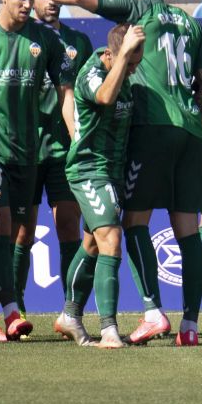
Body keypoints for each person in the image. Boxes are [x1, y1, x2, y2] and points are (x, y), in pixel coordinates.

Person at [1, 0, 202, 346]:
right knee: (185, 229)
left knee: (130, 224)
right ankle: (189, 325)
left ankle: (152, 312)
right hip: (190, 132)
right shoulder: (190, 21)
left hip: (153, 128)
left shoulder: (137, 11)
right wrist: (193, 114)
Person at [0, 0, 75, 342]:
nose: (28, 3)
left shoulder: (44, 40)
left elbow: (65, 91)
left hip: (27, 152)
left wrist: (75, 138)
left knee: (17, 232)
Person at [12, 0, 94, 330]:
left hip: (65, 150)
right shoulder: (22, 39)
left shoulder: (78, 41)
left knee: (68, 228)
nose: (51, 1)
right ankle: (16, 310)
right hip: (27, 149)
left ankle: (69, 311)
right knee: (22, 233)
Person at [56, 23, 145, 349]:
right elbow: (105, 96)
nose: (132, 70)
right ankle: (109, 329)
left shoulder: (126, 74)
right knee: (111, 238)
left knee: (93, 243)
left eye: (136, 64)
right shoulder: (92, 72)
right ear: (111, 53)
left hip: (113, 171)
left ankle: (70, 315)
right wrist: (123, 58)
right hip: (88, 169)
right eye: (128, 62)